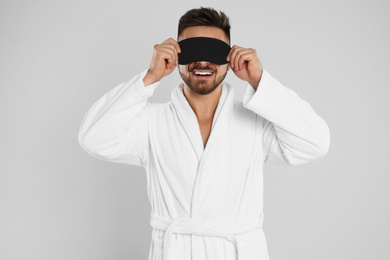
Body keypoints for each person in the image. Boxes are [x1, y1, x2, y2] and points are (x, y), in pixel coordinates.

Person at [78, 7, 330, 260]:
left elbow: (315, 143)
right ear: (176, 56)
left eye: (214, 52)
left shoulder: (257, 123)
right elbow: (93, 137)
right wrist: (150, 77)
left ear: (230, 59)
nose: (202, 61)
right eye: (191, 51)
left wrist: (260, 80)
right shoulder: (151, 122)